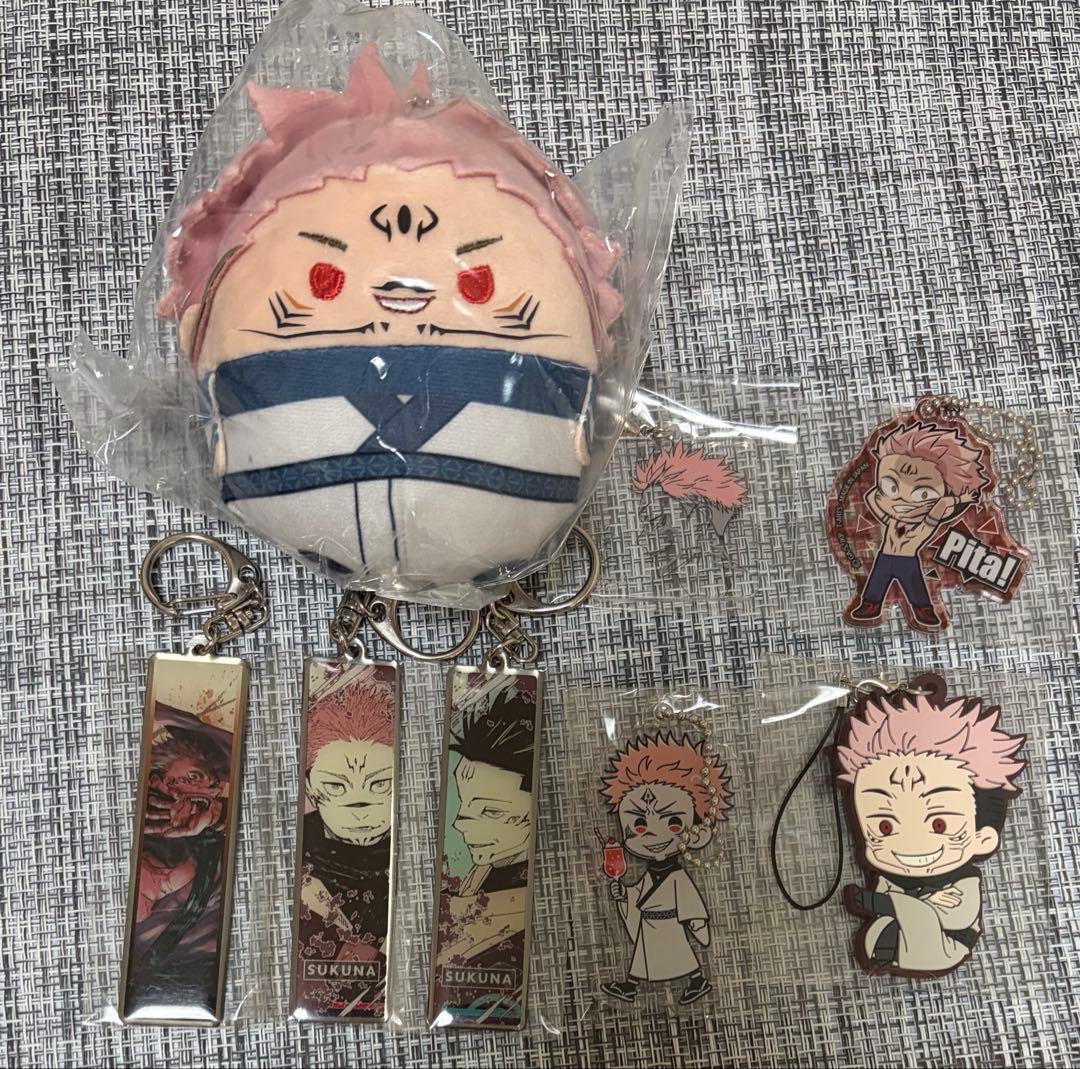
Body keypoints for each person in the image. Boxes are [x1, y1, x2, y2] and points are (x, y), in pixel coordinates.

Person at [836, 680, 1025, 975]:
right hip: (888, 942)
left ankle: (878, 904)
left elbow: (956, 917)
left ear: (983, 838)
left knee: (918, 912)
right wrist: (916, 901)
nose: (909, 842)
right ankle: (881, 911)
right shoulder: (886, 877)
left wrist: (908, 903)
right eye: (884, 826)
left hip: (943, 946)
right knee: (909, 910)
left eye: (939, 823)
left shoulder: (965, 882)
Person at [598, 733, 732, 1006]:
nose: (652, 834)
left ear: (698, 832)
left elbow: (690, 901)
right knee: (644, 958)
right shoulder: (650, 874)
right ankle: (632, 986)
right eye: (639, 826)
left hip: (669, 924)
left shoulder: (678, 876)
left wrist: (696, 923)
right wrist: (623, 895)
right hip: (649, 925)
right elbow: (639, 894)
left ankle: (696, 981)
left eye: (672, 823)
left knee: (679, 955)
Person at [848, 420, 988, 628]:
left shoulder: (925, 526)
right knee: (876, 583)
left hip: (907, 560)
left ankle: (924, 610)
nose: (901, 500)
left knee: (915, 587)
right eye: (891, 486)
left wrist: (961, 499)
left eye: (922, 493)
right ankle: (870, 605)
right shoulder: (892, 520)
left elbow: (941, 505)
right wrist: (881, 485)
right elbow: (870, 498)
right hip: (884, 558)